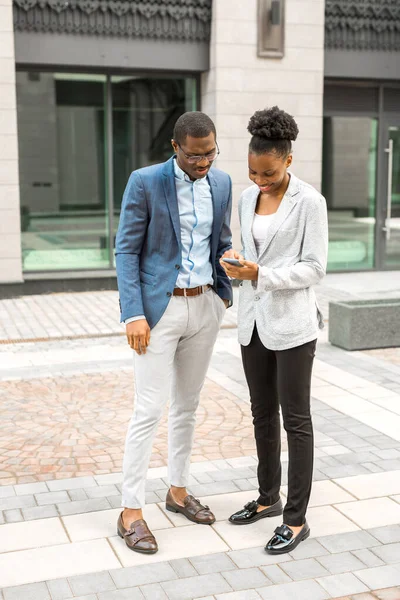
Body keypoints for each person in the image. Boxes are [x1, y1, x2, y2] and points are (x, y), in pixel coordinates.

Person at [115, 111, 233, 554]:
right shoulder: (145, 182)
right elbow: (126, 248)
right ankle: (130, 511)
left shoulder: (220, 184)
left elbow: (219, 242)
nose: (203, 163)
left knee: (188, 405)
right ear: (175, 147)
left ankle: (178, 490)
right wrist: (133, 315)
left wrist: (224, 292)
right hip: (157, 312)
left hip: (204, 305)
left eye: (210, 154)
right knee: (148, 409)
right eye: (195, 155)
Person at [221, 106, 328, 555]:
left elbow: (314, 269)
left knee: (295, 421)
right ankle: (268, 498)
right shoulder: (247, 199)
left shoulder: (311, 203)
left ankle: (297, 519)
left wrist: (260, 274)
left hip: (293, 326)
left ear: (287, 160)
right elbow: (249, 250)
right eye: (252, 172)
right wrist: (236, 264)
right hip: (253, 323)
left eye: (267, 172)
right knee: (261, 414)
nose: (259, 180)